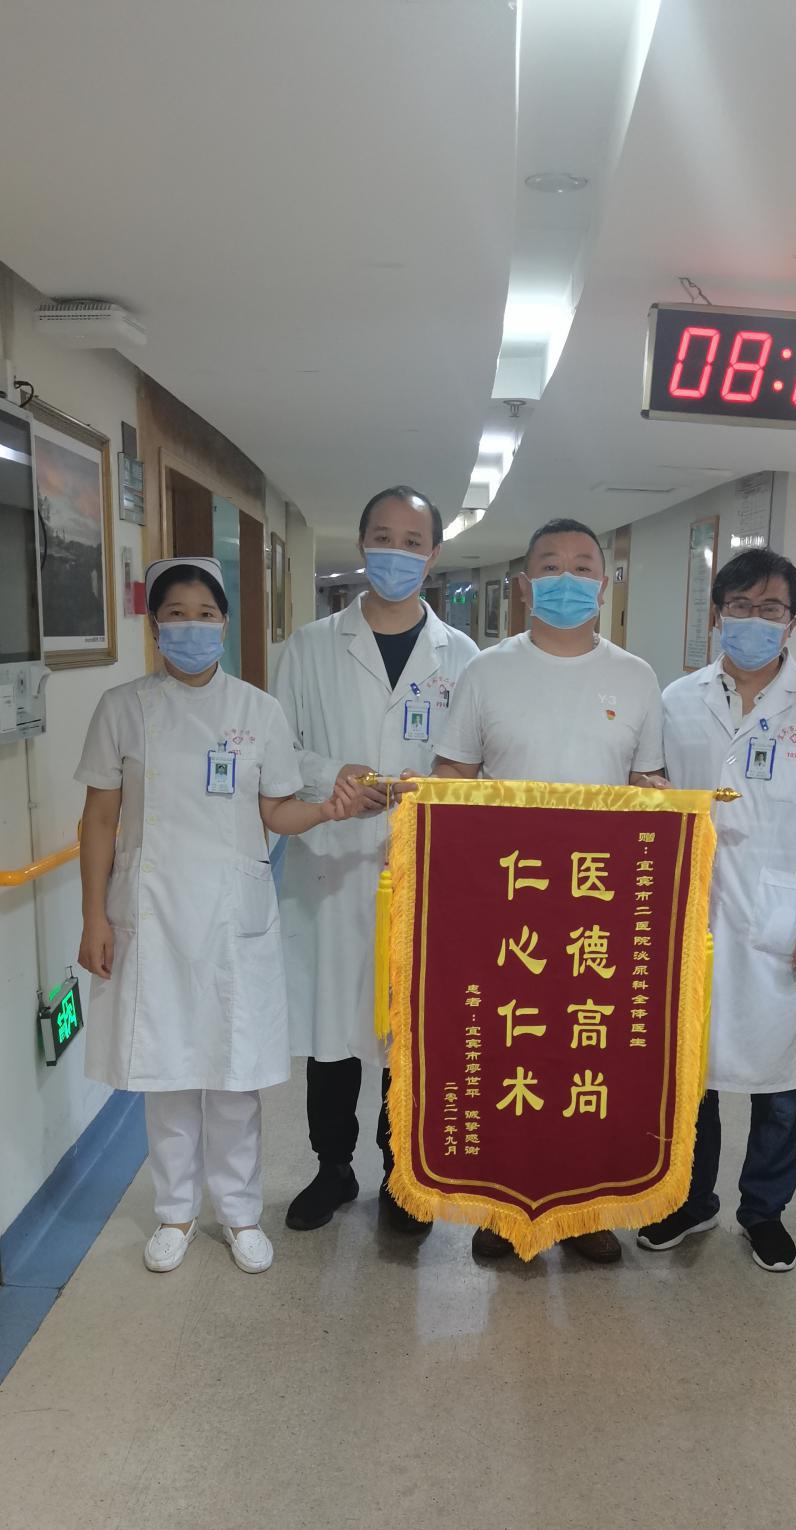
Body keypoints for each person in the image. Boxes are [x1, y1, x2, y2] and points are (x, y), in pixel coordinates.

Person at [76, 557, 365, 1276]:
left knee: (234, 1077)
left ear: (225, 623)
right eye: (175, 614)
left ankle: (239, 1214)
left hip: (234, 918)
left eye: (205, 614)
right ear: (154, 626)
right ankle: (175, 1212)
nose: (191, 627)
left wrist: (325, 812)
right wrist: (93, 918)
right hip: (151, 912)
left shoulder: (257, 711)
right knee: (168, 1073)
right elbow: (99, 820)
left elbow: (276, 811)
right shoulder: (122, 707)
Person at [431, 515, 667, 1266]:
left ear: (605, 581)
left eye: (583, 566)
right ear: (526, 583)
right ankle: (503, 1209)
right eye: (551, 565)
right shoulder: (487, 671)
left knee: (588, 1057)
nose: (568, 578)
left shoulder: (637, 677)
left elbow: (648, 785)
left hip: (598, 910)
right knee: (512, 1055)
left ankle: (584, 1210)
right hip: (506, 907)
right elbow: (452, 778)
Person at [637, 546, 796, 1272]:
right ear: (717, 615)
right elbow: (648, 787)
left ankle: (764, 1213)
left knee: (778, 1085)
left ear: (791, 623)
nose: (754, 620)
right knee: (691, 1072)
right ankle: (690, 1200)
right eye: (740, 606)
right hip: (687, 915)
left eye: (770, 609)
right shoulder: (678, 698)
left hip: (781, 921)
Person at [274, 487, 478, 1236]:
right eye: (383, 537)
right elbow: (278, 751)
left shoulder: (464, 657)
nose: (397, 552)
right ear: (362, 544)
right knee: (332, 1031)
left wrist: (439, 785)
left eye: (413, 541)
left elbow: (478, 761)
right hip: (331, 863)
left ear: (434, 554)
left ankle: (402, 1176)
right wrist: (333, 773)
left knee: (408, 1032)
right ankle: (333, 1168)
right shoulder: (308, 647)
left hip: (425, 871)